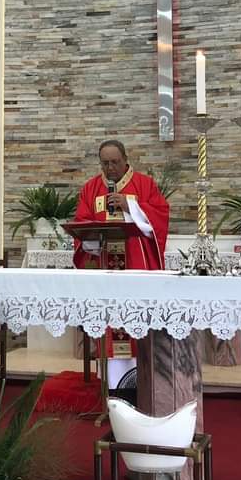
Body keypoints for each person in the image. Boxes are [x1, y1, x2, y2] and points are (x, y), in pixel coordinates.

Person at [72, 139, 169, 377]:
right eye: (105, 163)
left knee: (136, 319)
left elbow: (161, 216)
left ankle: (142, 379)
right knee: (109, 322)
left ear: (126, 160)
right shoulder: (91, 189)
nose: (110, 168)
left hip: (136, 268)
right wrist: (91, 238)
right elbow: (82, 223)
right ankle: (112, 383)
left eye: (115, 162)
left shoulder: (144, 184)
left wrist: (130, 206)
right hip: (105, 269)